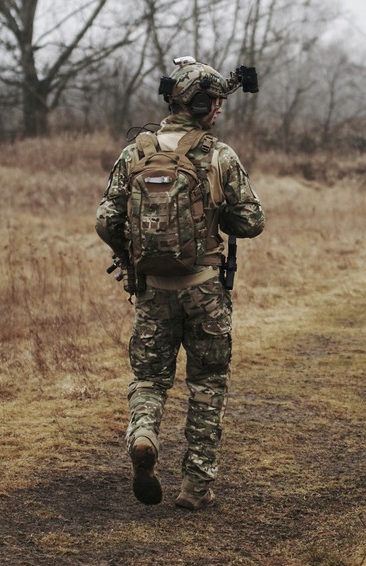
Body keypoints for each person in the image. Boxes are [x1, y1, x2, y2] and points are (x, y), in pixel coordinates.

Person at [95, 56, 265, 510]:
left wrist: (130, 258)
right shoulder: (218, 155)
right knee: (207, 384)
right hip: (206, 289)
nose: (221, 112)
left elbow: (106, 219)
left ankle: (145, 433)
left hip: (152, 290)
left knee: (149, 378)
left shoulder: (136, 152)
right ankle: (196, 487)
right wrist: (216, 213)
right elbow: (252, 222)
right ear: (205, 105)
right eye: (217, 104)